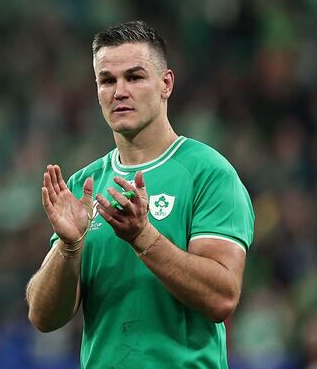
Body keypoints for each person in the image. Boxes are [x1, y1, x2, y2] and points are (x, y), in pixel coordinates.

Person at [25, 20, 254, 368]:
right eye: (107, 80)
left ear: (166, 84)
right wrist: (68, 248)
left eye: (134, 77)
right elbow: (43, 317)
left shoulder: (209, 173)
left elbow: (222, 298)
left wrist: (143, 236)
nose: (119, 91)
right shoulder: (85, 185)